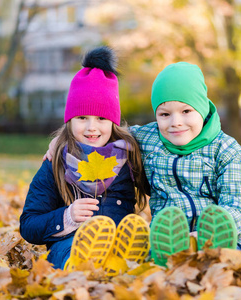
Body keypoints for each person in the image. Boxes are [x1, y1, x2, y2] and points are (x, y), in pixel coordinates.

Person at [45, 62, 241, 267]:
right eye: (165, 114)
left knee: (224, 258)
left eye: (186, 111)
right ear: (157, 115)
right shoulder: (148, 139)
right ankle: (167, 256)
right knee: (147, 258)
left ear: (202, 109)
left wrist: (206, 234)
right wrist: (62, 142)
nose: (175, 122)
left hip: (220, 237)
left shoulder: (226, 149)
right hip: (167, 237)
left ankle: (213, 248)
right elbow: (107, 135)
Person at [20, 46, 150, 275]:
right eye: (82, 118)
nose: (92, 127)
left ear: (113, 122)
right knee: (69, 252)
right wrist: (66, 216)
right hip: (69, 244)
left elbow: (163, 139)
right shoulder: (57, 162)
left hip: (119, 243)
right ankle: (82, 266)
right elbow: (29, 225)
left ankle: (125, 261)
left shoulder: (130, 156)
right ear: (70, 120)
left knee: (136, 251)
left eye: (101, 118)